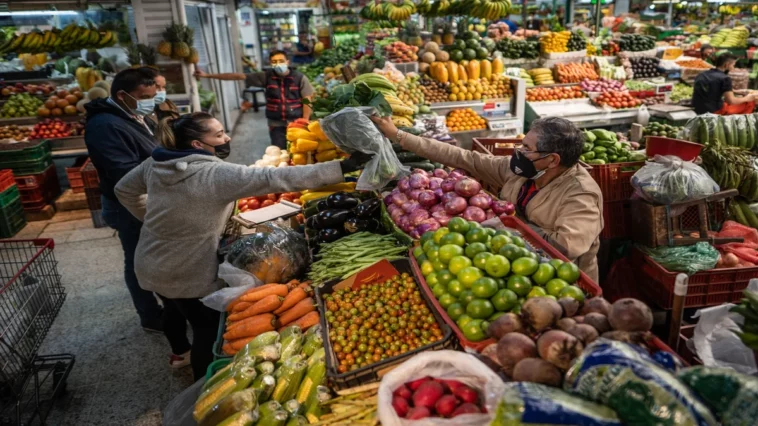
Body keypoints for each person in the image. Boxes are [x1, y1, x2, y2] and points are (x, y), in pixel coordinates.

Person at [114, 112, 370, 379]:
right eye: (218, 134)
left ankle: (179, 353)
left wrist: (154, 219)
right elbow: (275, 178)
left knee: (173, 308)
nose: (227, 138)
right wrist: (342, 167)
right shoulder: (215, 173)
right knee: (205, 327)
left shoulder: (155, 164)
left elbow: (123, 189)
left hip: (150, 260)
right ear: (197, 145)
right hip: (187, 268)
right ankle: (202, 387)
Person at [371, 115, 603, 281]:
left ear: (552, 160)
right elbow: (465, 158)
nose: (518, 151)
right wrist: (399, 135)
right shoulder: (521, 171)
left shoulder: (581, 194)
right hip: (510, 260)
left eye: (526, 147)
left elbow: (565, 247)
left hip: (558, 279)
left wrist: (505, 224)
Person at [84, 67, 164, 333]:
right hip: (126, 204)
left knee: (146, 255)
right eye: (145, 96)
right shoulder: (104, 126)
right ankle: (150, 316)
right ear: (121, 95)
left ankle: (164, 308)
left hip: (144, 196)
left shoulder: (132, 115)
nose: (151, 101)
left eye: (154, 94)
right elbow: (123, 172)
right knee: (137, 259)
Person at [194, 50, 313, 149]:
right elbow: (238, 76)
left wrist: (305, 120)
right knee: (279, 151)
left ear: (287, 62)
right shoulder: (266, 76)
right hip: (276, 123)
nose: (278, 64)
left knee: (299, 149)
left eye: (281, 61)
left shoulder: (300, 78)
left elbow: (307, 99)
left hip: (296, 121)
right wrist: (208, 75)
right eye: (274, 62)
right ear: (270, 64)